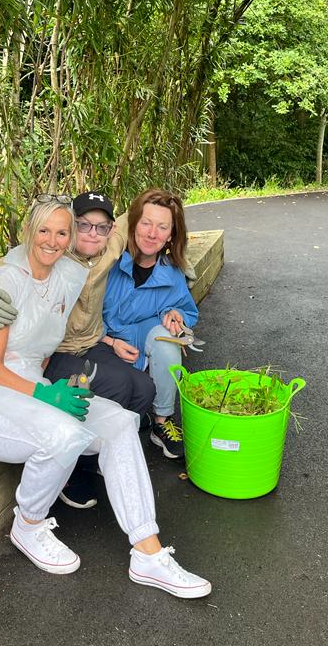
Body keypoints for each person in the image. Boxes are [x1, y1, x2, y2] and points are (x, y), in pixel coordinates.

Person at [0, 197, 211, 598]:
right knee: (65, 434)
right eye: (44, 231)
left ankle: (148, 554)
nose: (52, 240)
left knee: (120, 421)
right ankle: (28, 524)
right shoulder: (7, 279)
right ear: (28, 232)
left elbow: (129, 226)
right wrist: (46, 395)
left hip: (30, 383)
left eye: (61, 232)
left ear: (70, 239)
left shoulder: (68, 273)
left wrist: (60, 384)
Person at [0, 191, 156, 507]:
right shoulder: (53, 257)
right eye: (83, 225)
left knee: (144, 387)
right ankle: (75, 470)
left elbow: (135, 219)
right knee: (115, 386)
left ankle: (108, 456)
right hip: (57, 353)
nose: (93, 233)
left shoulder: (108, 248)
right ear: (72, 227)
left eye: (101, 227)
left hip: (91, 343)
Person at [102, 188, 199, 462]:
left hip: (139, 342)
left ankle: (162, 420)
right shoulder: (109, 259)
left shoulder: (172, 272)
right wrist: (109, 342)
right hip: (100, 342)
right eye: (146, 223)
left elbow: (189, 313)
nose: (151, 233)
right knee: (118, 425)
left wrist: (176, 314)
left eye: (162, 227)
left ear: (171, 235)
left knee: (166, 339)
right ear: (133, 224)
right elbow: (82, 314)